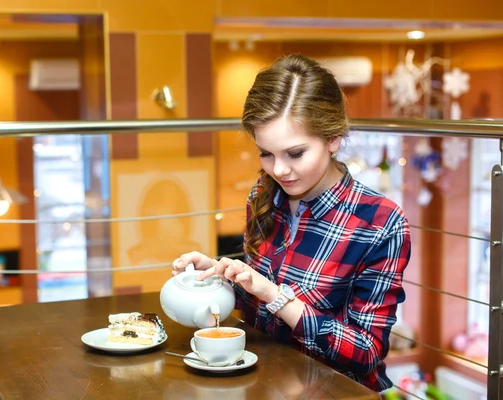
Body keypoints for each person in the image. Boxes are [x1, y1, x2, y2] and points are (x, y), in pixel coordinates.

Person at [172, 53, 411, 392]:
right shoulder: (264, 193)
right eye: (266, 153)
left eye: (295, 153)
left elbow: (367, 353)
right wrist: (218, 277)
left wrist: (276, 296)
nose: (279, 170)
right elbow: (257, 309)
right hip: (266, 381)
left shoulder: (380, 222)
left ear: (334, 138)